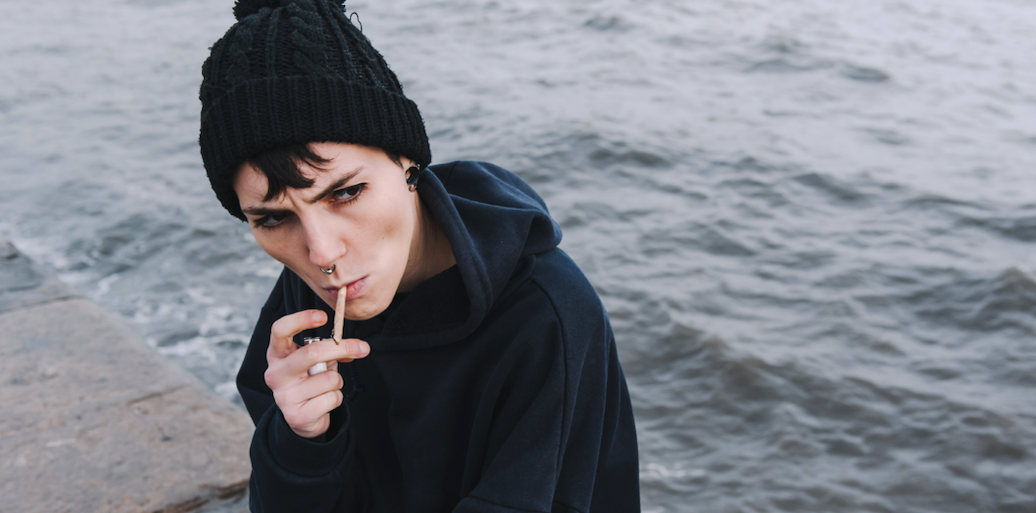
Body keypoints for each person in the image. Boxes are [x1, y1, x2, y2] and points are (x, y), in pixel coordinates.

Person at [198, 1, 640, 511]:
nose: (322, 252)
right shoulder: (311, 293)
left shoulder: (549, 317)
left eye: (345, 193)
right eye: (273, 218)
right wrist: (301, 442)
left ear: (407, 159)